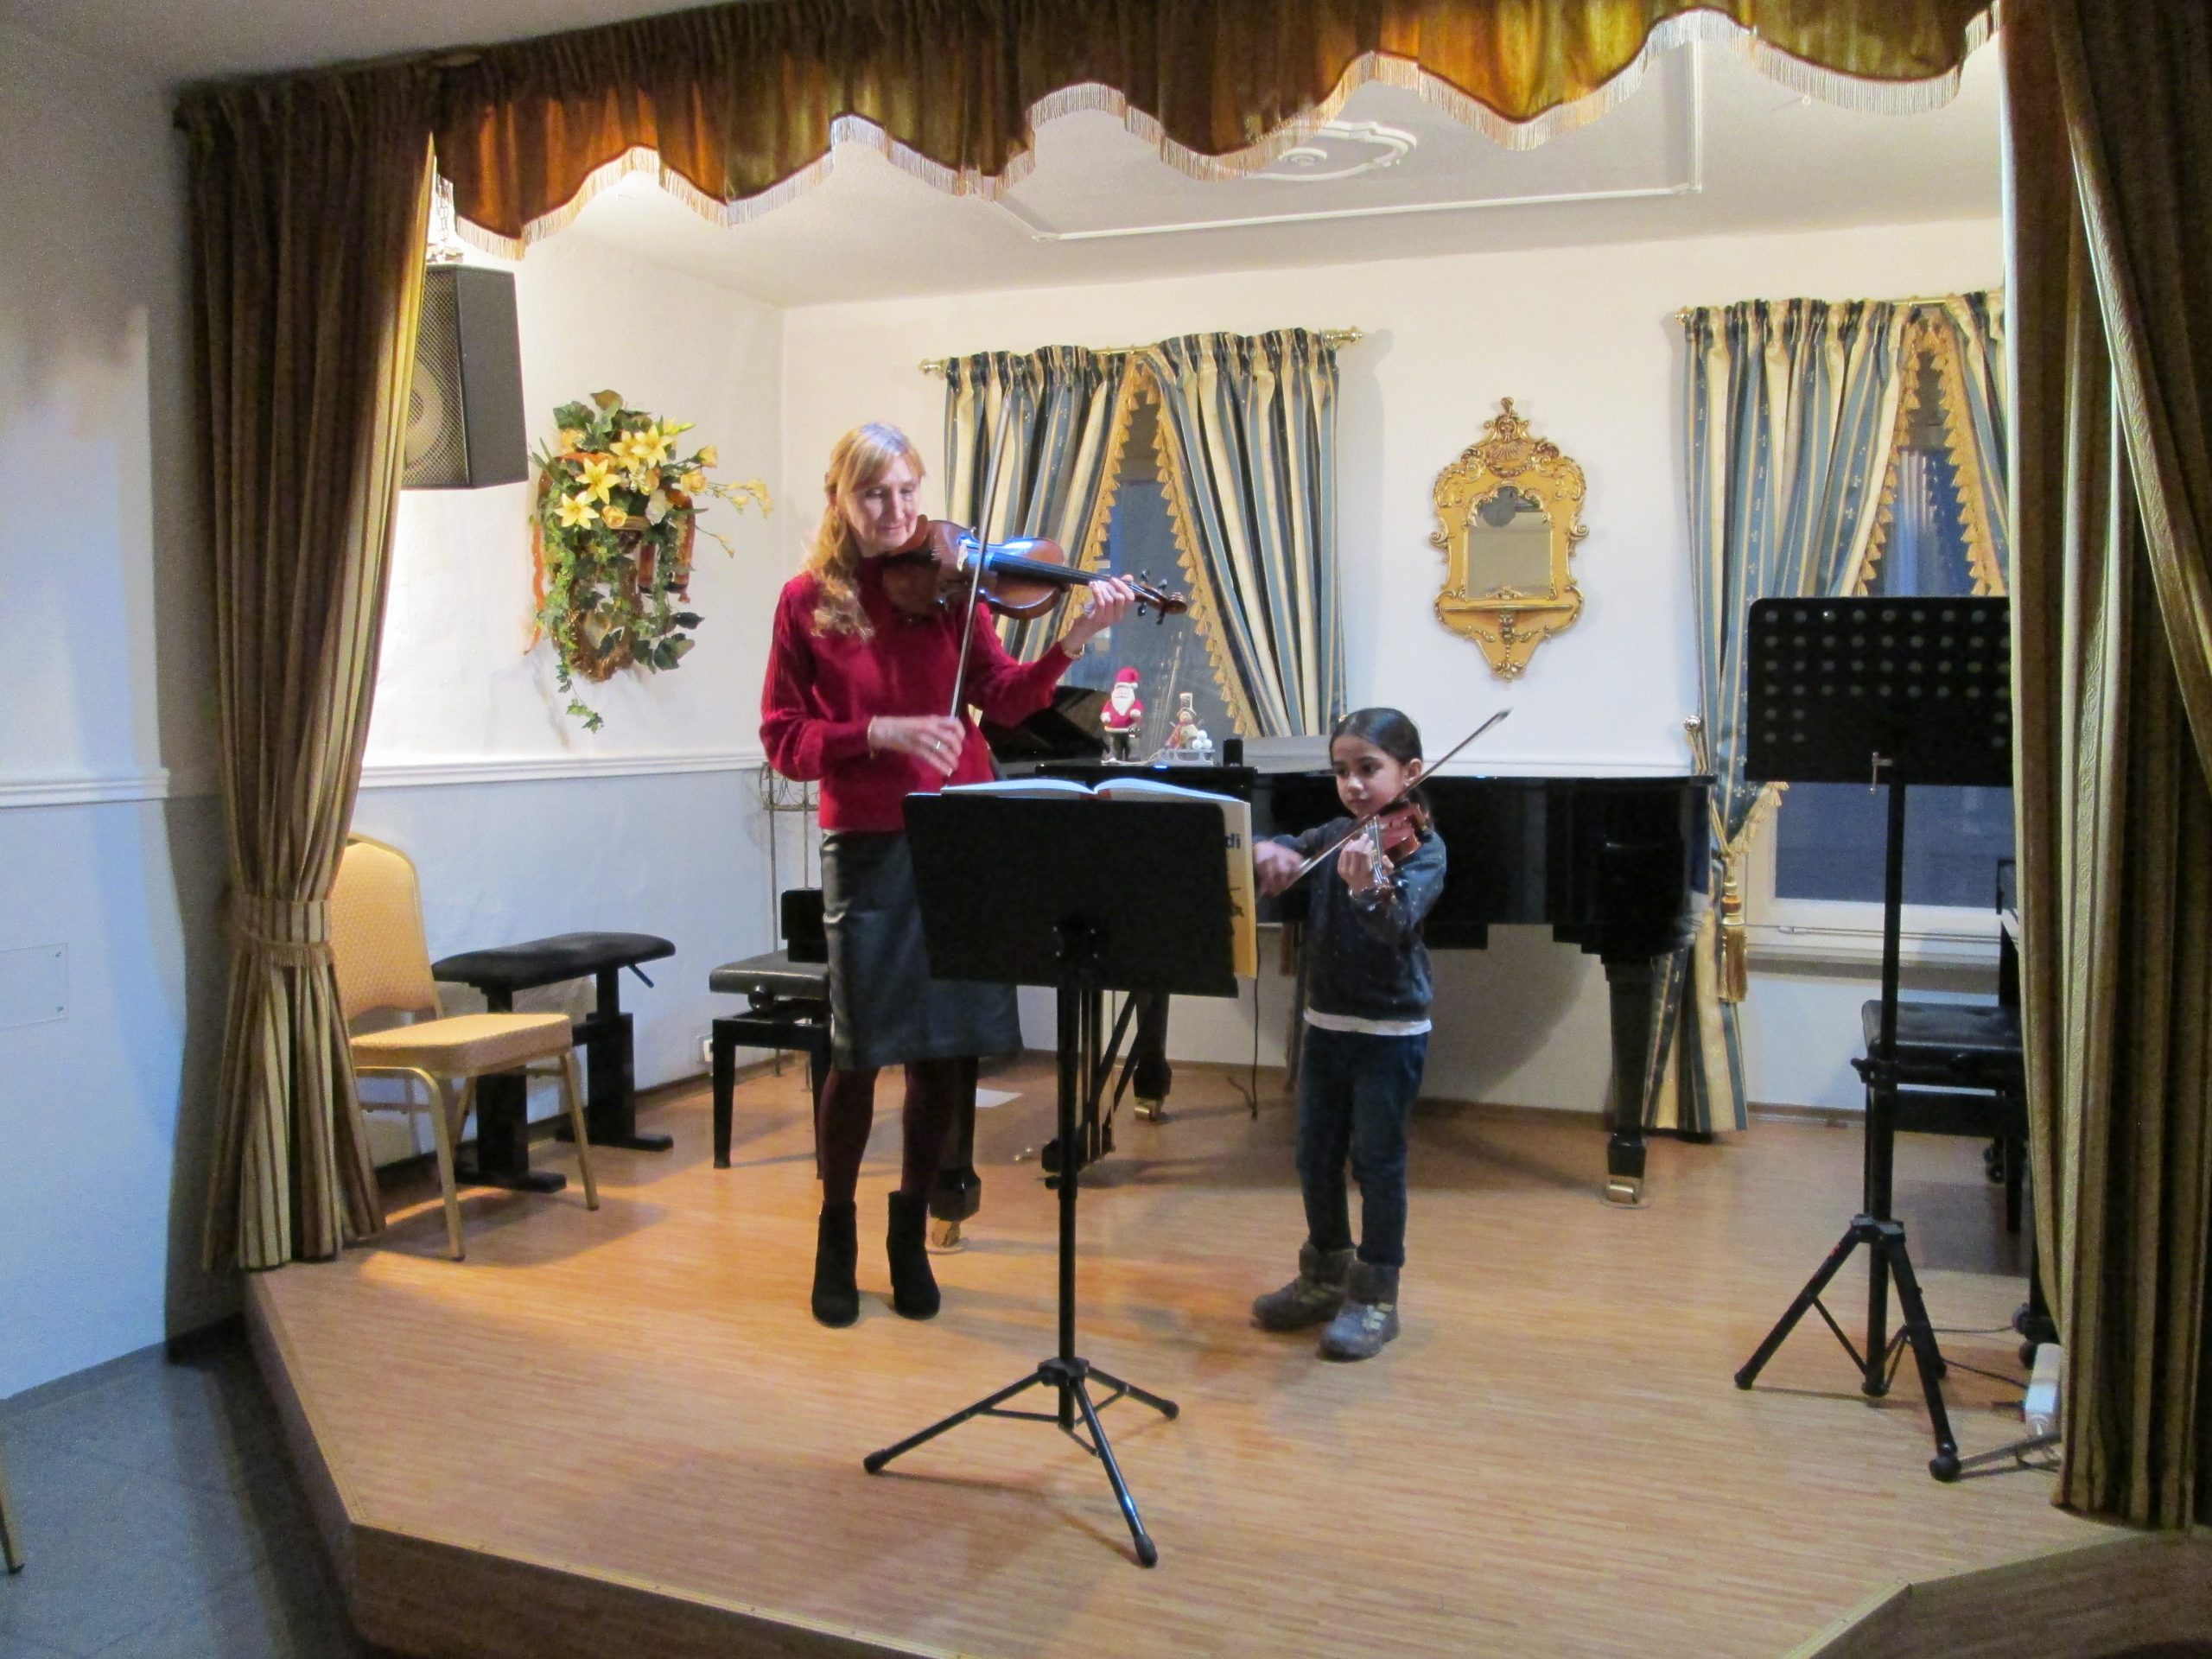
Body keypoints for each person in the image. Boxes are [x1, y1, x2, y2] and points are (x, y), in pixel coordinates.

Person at [760, 422, 1136, 1327]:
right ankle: (837, 1233)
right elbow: (782, 739)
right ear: (839, 500)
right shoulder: (806, 602)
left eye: (907, 492)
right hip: (868, 842)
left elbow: (1002, 701)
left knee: (944, 1051)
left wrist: (1074, 638)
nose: (896, 511)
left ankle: (909, 1231)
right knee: (859, 1051)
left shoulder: (955, 590)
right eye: (874, 494)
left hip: (962, 833)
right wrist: (876, 733)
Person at [1247, 708, 1446, 1360]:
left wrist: (1367, 890)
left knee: (1378, 1162)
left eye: (1369, 768)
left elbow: (1397, 923)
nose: (1354, 784)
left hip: (1391, 1028)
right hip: (1326, 1021)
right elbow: (1287, 845)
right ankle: (1324, 1275)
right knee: (1314, 1154)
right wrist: (1268, 849)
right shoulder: (1337, 833)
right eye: (1341, 771)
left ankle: (1376, 1295)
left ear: (1410, 773)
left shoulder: (1423, 848)